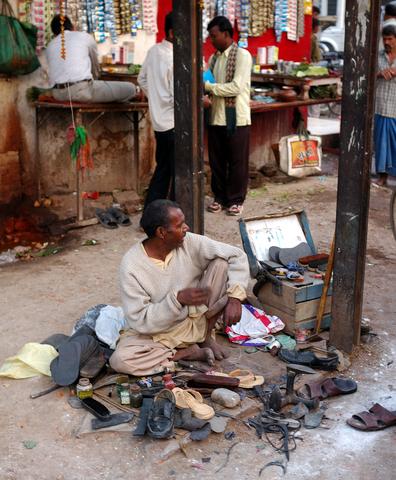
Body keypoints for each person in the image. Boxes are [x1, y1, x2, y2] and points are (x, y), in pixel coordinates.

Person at [109, 199, 250, 376]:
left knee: (221, 263)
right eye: (180, 225)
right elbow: (140, 321)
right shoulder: (131, 266)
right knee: (120, 360)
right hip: (161, 333)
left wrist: (236, 297)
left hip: (197, 317)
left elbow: (236, 255)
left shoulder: (189, 242)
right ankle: (184, 353)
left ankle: (205, 337)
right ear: (161, 232)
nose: (187, 228)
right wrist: (176, 300)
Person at [204, 16, 252, 217]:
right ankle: (219, 197)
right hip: (216, 116)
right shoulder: (214, 58)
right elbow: (209, 80)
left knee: (237, 161)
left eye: (214, 36)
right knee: (217, 161)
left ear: (225, 34)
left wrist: (208, 87)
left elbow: (236, 87)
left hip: (237, 118)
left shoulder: (242, 55)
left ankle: (236, 199)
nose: (211, 40)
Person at [46, 15, 138, 103]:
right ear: (73, 27)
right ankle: (137, 92)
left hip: (57, 94)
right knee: (130, 88)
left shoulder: (50, 46)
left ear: (54, 33)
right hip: (81, 91)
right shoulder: (84, 36)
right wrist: (96, 78)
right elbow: (95, 67)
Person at [138, 12, 175, 209]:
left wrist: (156, 98)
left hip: (159, 121)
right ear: (172, 31)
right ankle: (172, 216)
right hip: (174, 121)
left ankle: (151, 214)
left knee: (163, 169)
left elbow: (141, 79)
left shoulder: (154, 51)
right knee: (177, 172)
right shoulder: (174, 57)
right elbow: (177, 95)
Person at [374, 23, 396, 187]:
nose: (387, 42)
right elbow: (368, 73)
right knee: (381, 143)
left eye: (390, 39)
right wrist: (380, 73)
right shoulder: (378, 56)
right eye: (385, 39)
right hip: (381, 105)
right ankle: (382, 176)